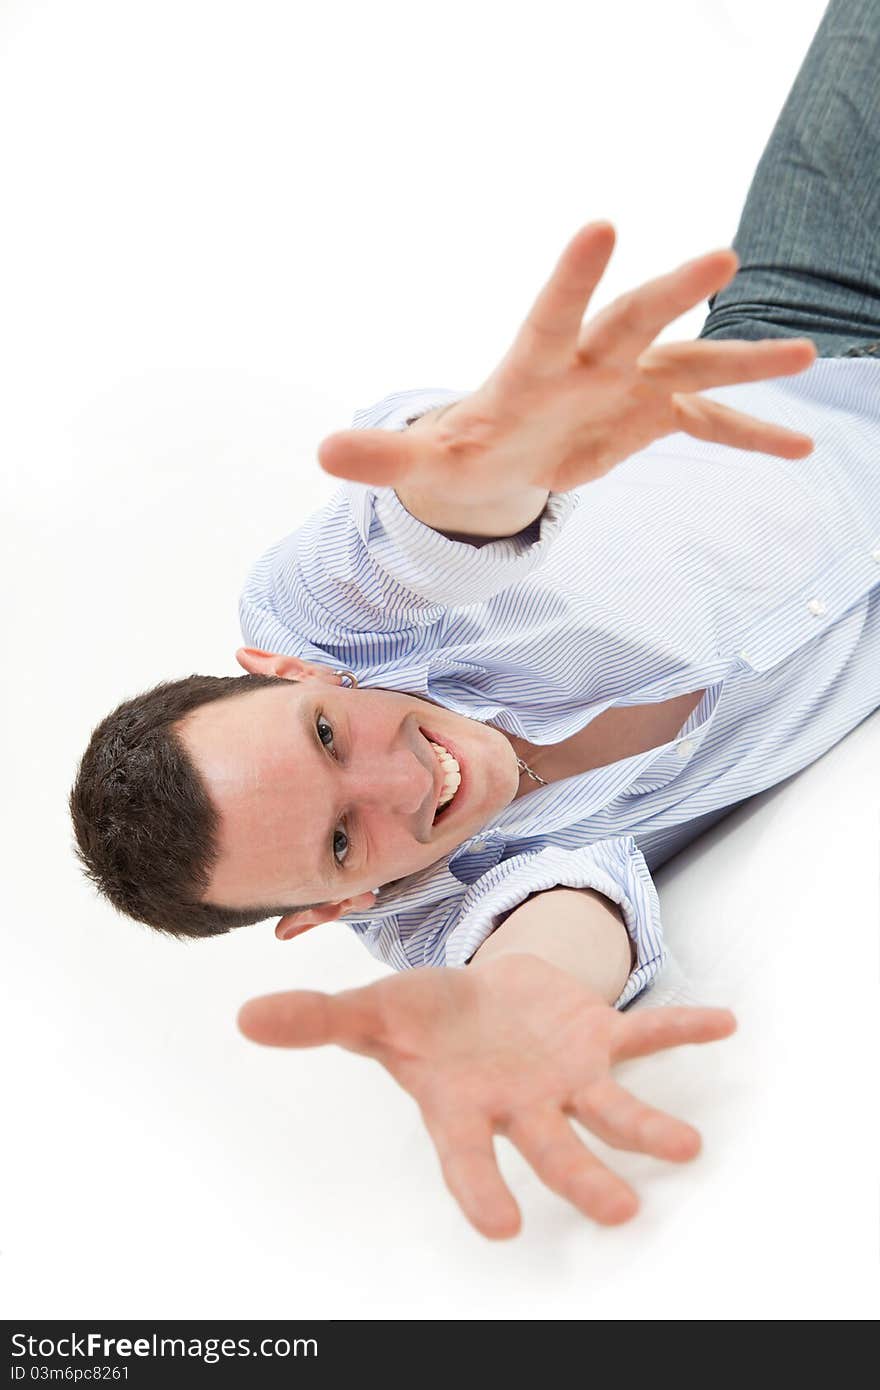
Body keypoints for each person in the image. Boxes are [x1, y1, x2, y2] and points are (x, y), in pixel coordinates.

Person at [69, 0, 880, 1239]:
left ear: (287, 666)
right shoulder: (449, 913)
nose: (401, 782)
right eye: (345, 845)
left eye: (331, 737)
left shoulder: (334, 609)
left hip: (817, 314)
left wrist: (471, 479)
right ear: (332, 912)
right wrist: (516, 1009)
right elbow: (552, 923)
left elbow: (424, 531)